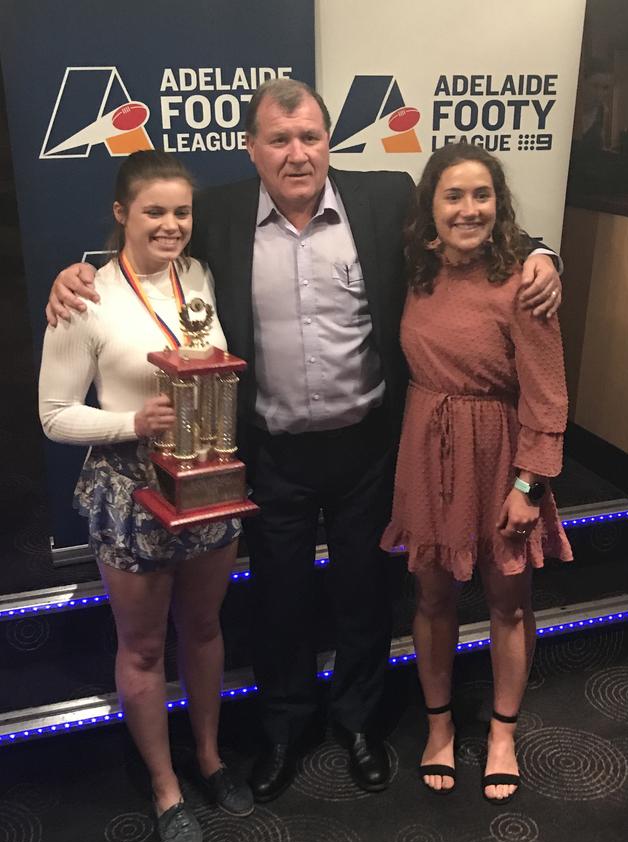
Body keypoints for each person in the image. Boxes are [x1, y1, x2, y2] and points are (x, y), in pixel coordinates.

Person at [45, 79, 563, 803]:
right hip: (271, 450)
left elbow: (471, 224)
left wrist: (543, 254)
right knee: (278, 599)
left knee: (363, 592)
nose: (297, 154)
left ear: (330, 142)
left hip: (369, 448)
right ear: (251, 147)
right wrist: (80, 275)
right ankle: (284, 729)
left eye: (311, 137)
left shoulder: (383, 198)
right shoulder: (218, 213)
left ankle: (358, 723)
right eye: (280, 140)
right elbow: (143, 249)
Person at [39, 150, 253, 842]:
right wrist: (131, 424)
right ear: (120, 213)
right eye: (154, 211)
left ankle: (212, 756)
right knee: (144, 645)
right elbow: (54, 413)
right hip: (132, 488)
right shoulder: (84, 295)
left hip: (206, 478)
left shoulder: (200, 276)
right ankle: (166, 787)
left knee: (203, 625)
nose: (170, 225)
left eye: (181, 212)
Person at [380, 143, 573, 805]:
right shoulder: (414, 269)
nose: (469, 209)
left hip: (500, 456)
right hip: (424, 449)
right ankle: (438, 726)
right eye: (454, 196)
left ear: (500, 203)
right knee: (431, 600)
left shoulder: (526, 278)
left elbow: (548, 395)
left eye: (481, 195)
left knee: (507, 604)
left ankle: (501, 733)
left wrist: (529, 483)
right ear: (430, 205)